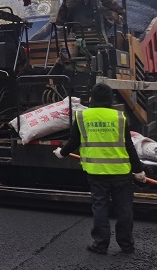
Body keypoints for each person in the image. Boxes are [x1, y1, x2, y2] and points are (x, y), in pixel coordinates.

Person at [53, 83, 146, 254]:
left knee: (100, 208)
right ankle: (127, 244)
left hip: (97, 172)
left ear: (92, 98)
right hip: (121, 172)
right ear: (110, 99)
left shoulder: (82, 116)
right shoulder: (120, 117)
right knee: (125, 209)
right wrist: (138, 170)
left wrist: (61, 153)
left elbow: (73, 142)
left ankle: (101, 244)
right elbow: (129, 145)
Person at [55, 0, 125, 29]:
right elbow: (60, 20)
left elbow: (112, 3)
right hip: (85, 29)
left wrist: (121, 11)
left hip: (104, 23)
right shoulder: (67, 2)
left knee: (113, 15)